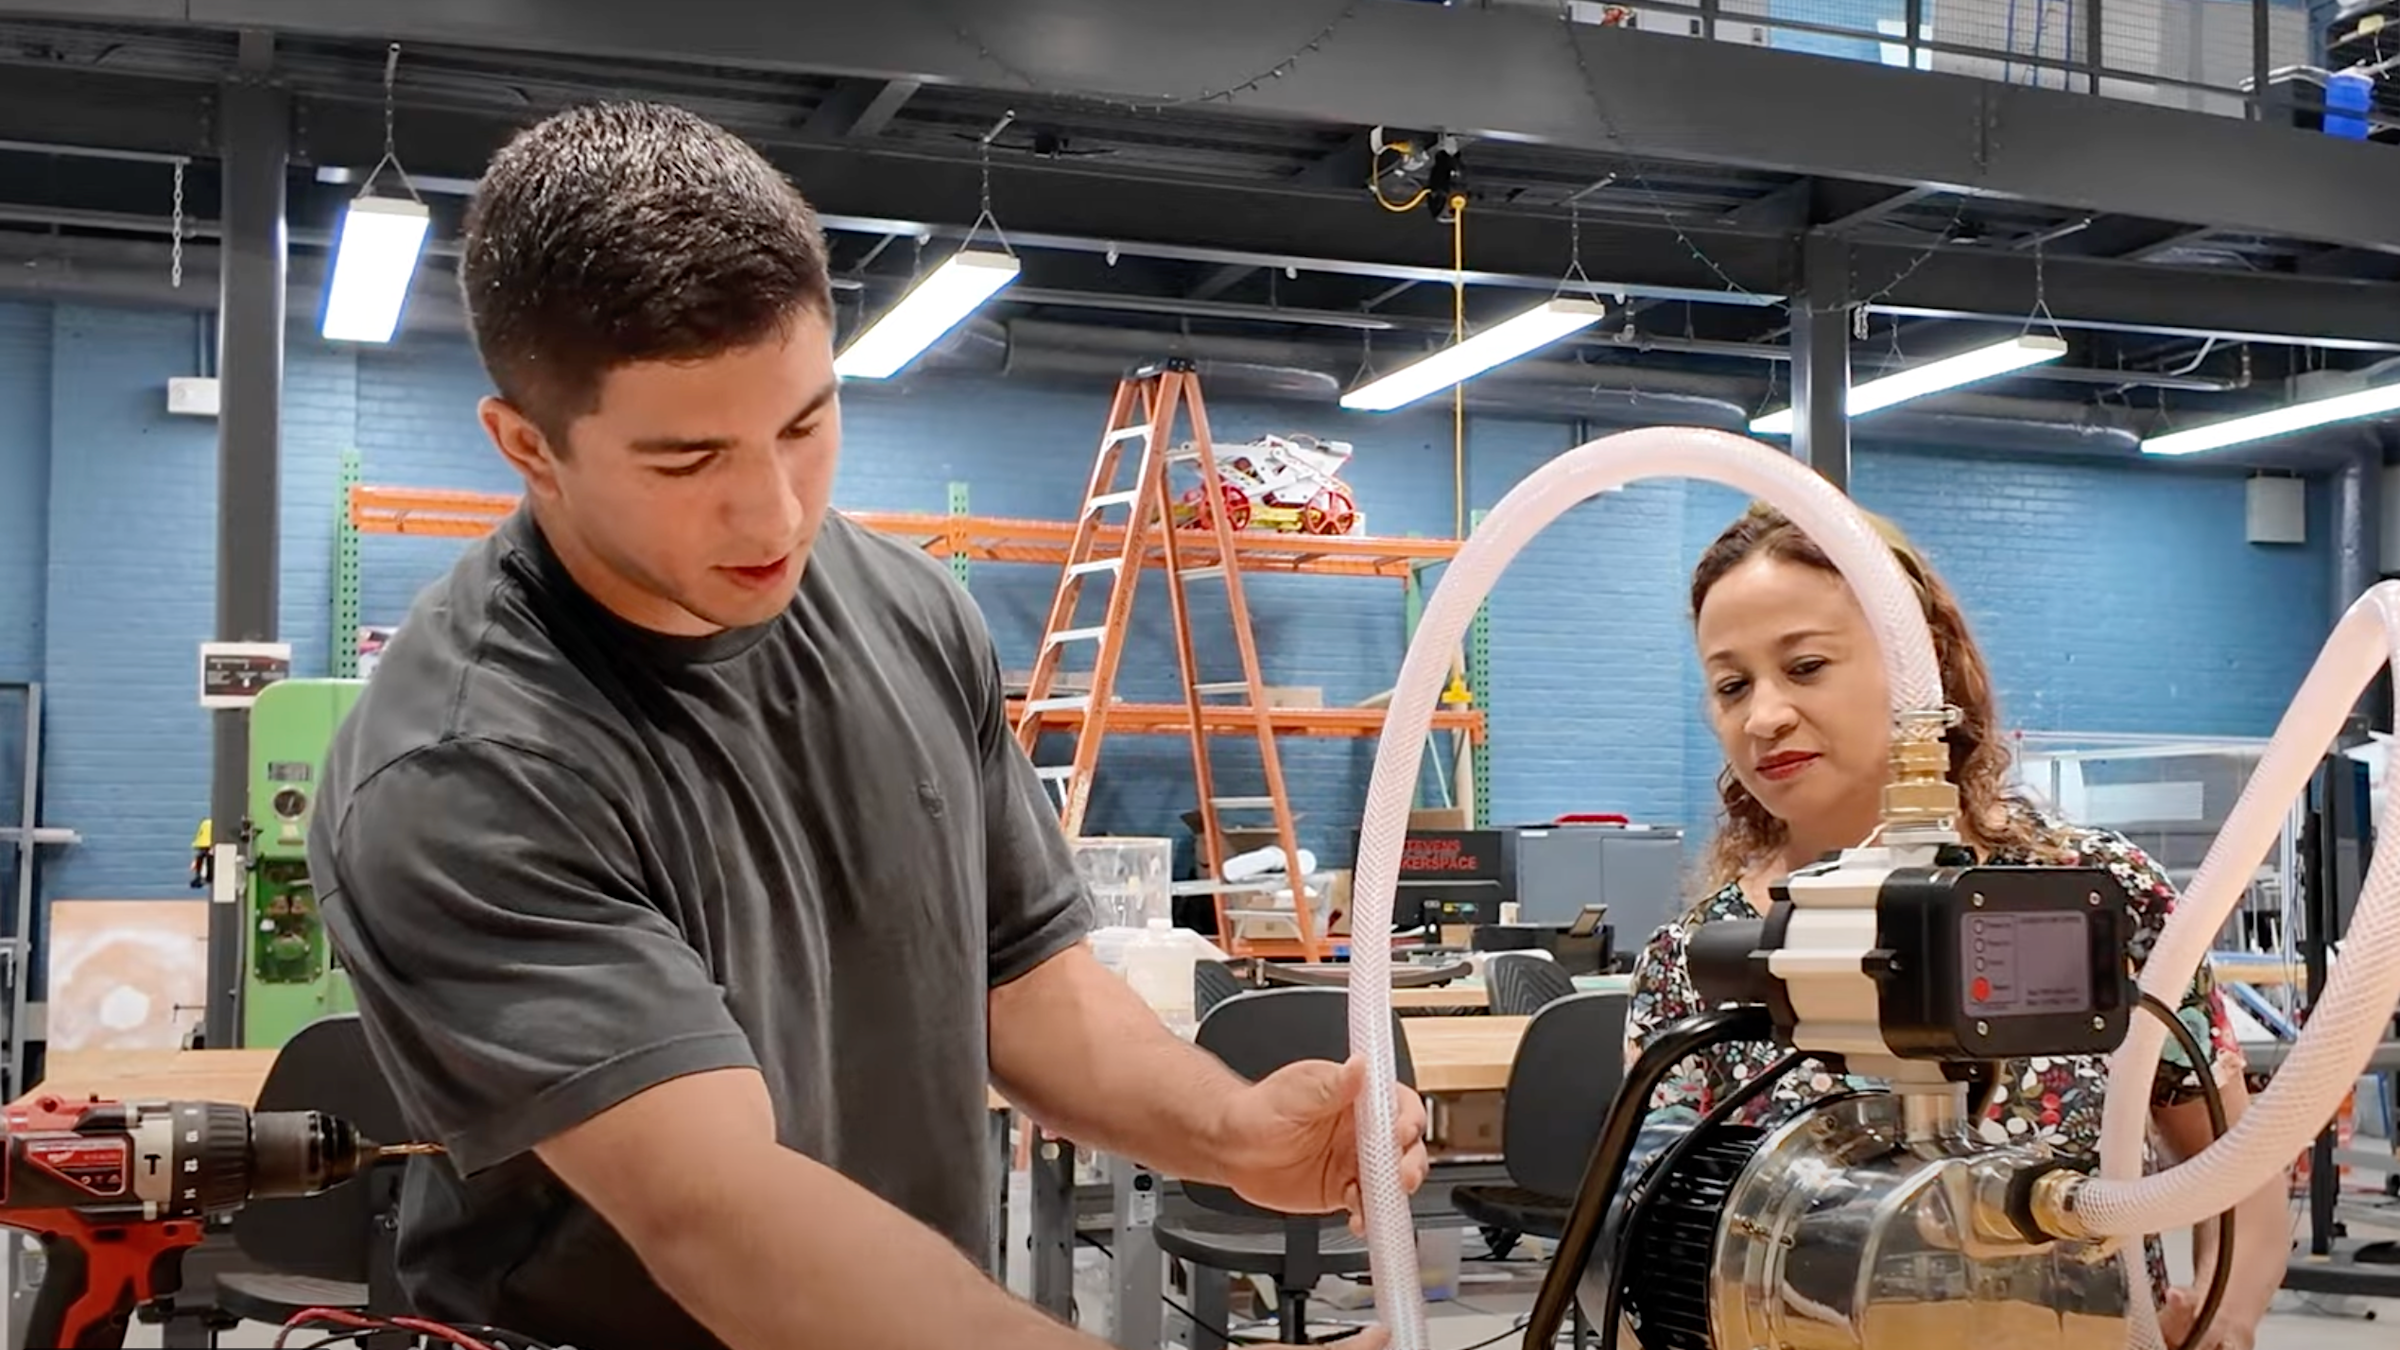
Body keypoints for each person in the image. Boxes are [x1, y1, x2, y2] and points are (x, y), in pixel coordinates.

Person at [308, 101, 1427, 1350]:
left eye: (805, 423)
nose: (774, 514)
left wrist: (1235, 1131)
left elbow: (1024, 981)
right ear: (529, 446)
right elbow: (722, 1220)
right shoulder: (465, 765)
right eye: (689, 461)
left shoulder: (906, 612)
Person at [1627, 502, 2290, 1350]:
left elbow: (2236, 1174)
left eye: (1805, 665)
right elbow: (1647, 1249)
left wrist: (2221, 1320)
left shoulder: (2095, 896)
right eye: (1732, 685)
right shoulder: (1700, 961)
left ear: (1920, 663)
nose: (1763, 717)